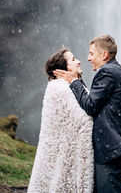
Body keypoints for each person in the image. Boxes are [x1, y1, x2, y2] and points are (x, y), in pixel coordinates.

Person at [54, 35, 121, 193]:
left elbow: (90, 106)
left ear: (104, 55)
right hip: (110, 147)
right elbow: (96, 102)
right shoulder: (114, 70)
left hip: (107, 147)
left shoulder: (107, 72)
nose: (88, 58)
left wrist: (74, 82)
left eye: (92, 53)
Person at [27, 47, 94, 193]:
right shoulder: (60, 87)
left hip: (62, 155)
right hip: (63, 157)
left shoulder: (67, 85)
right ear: (63, 68)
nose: (79, 61)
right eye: (73, 59)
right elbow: (82, 120)